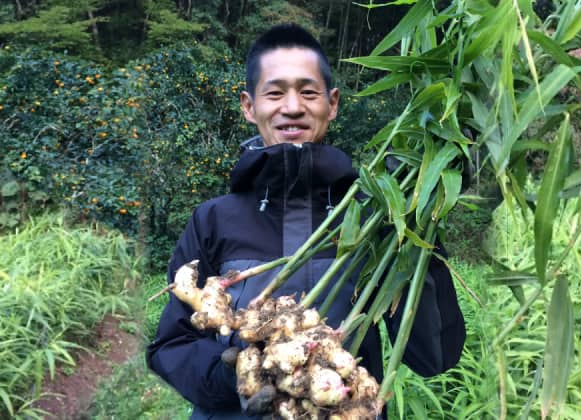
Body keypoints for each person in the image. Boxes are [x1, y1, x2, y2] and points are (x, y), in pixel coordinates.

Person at [146, 23, 466, 419]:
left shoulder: (375, 218)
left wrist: (420, 222)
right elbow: (169, 347)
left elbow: (435, 358)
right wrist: (241, 377)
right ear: (249, 106)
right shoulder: (214, 219)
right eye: (275, 92)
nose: (293, 106)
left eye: (308, 92)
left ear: (332, 104)